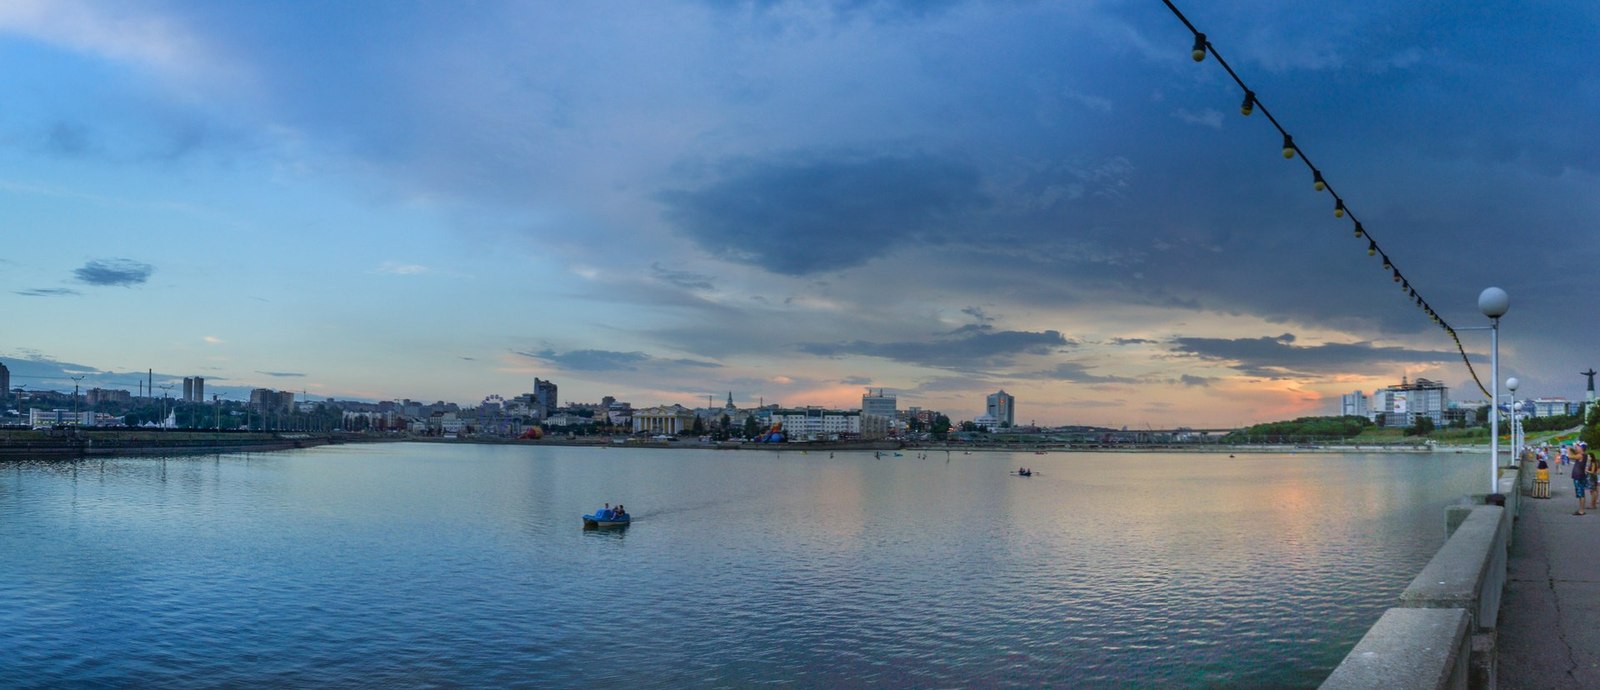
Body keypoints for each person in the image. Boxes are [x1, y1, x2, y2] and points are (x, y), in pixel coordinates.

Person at [1572, 449, 1588, 516]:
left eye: (1578, 447)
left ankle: (1581, 511)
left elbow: (1570, 456)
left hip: (1579, 477)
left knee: (1581, 494)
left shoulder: (1581, 455)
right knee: (1581, 493)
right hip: (1580, 476)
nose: (1576, 448)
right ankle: (1581, 509)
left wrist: (1568, 449)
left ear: (1581, 449)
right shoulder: (1584, 455)